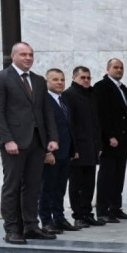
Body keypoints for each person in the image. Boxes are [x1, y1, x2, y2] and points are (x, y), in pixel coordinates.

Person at [0, 42, 59, 244]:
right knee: (12, 186)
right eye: (23, 54)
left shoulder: (37, 80)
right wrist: (7, 139)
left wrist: (52, 137)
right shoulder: (0, 78)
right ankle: (11, 229)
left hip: (37, 142)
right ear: (13, 56)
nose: (28, 58)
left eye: (31, 54)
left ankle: (31, 226)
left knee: (33, 186)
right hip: (13, 143)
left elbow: (46, 112)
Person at [94, 58, 127, 223]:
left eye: (121, 68)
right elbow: (102, 114)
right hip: (109, 141)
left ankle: (115, 208)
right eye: (116, 67)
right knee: (107, 176)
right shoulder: (101, 87)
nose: (119, 70)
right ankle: (103, 210)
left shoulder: (121, 89)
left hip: (122, 141)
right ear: (108, 68)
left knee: (118, 176)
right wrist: (109, 135)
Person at [39, 68, 79, 234]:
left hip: (65, 153)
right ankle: (47, 221)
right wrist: (46, 153)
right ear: (47, 82)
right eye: (55, 79)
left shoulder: (64, 101)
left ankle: (59, 218)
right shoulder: (44, 102)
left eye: (62, 79)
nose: (59, 83)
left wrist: (74, 149)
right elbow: (42, 129)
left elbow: (69, 128)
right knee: (47, 188)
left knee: (60, 189)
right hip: (52, 154)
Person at [65, 66, 105, 228]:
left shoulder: (91, 95)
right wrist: (73, 148)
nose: (86, 80)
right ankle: (78, 215)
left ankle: (88, 213)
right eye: (83, 77)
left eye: (88, 77)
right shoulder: (69, 95)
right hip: (78, 149)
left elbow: (97, 123)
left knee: (89, 183)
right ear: (74, 78)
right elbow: (70, 124)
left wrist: (99, 145)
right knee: (76, 184)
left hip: (92, 147)